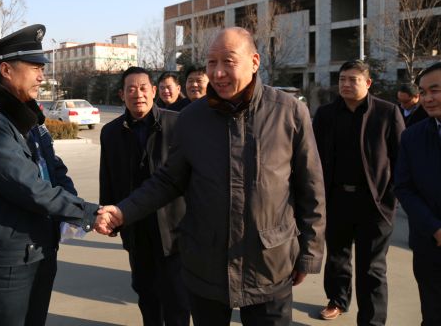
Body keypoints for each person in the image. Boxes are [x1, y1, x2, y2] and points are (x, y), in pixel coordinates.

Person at [97, 27, 326, 326]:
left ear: (254, 62)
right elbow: (168, 180)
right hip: (205, 265)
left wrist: (309, 253)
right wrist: (123, 210)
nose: (217, 73)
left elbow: (311, 188)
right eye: (211, 63)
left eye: (228, 61)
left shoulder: (289, 113)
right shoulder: (192, 118)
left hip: (270, 264)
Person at [0, 24, 100, 326]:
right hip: (7, 262)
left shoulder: (25, 116)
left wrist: (70, 207)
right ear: (6, 70)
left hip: (38, 250)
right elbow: (29, 186)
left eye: (42, 68)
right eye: (35, 67)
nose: (41, 76)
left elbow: (54, 167)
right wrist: (87, 213)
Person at [312, 60, 404, 324]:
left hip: (374, 203)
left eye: (353, 79)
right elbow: (313, 157)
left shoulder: (387, 112)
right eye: (342, 79)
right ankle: (337, 300)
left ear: (368, 83)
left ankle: (372, 320)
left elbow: (401, 158)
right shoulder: (326, 114)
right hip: (336, 199)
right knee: (337, 258)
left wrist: (390, 198)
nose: (346, 84)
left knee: (372, 267)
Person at [100, 66, 189, 326]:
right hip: (135, 227)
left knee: (177, 300)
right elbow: (108, 177)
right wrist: (110, 217)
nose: (137, 94)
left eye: (142, 88)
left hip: (174, 230)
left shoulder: (177, 124)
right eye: (130, 89)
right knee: (147, 295)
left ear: (153, 91)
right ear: (121, 94)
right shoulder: (111, 132)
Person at [394, 62, 441, 326]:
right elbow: (404, 187)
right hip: (429, 244)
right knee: (433, 314)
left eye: (435, 90)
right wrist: (435, 228)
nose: (428, 98)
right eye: (423, 92)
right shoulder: (412, 136)